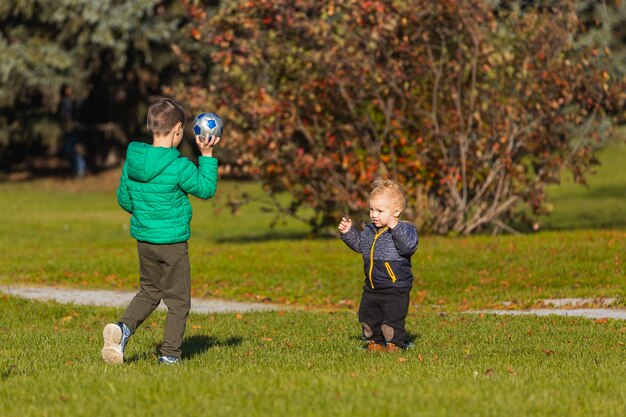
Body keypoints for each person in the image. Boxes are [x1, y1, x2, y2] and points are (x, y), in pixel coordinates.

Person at [101, 98, 220, 365]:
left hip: (145, 241)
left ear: (150, 125)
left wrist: (146, 213)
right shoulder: (179, 166)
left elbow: (124, 199)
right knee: (178, 302)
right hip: (173, 243)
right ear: (178, 129)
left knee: (149, 291)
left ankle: (121, 330)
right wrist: (208, 156)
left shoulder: (133, 159)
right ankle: (169, 356)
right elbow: (206, 189)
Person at [338, 178, 419, 352]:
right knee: (368, 317)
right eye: (371, 209)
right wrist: (348, 233)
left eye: (380, 211)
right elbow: (360, 245)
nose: (374, 215)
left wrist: (395, 228)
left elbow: (409, 247)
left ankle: (394, 344)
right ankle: (374, 342)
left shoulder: (405, 229)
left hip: (395, 287)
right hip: (372, 286)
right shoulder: (370, 230)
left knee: (392, 319)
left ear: (396, 212)